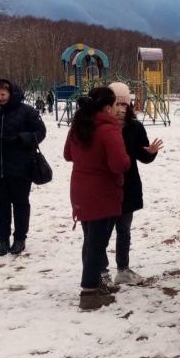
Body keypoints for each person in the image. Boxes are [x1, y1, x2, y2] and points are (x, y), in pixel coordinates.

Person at [63, 87, 131, 310]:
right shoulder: (108, 129)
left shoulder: (79, 124)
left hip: (81, 189)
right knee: (96, 243)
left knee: (91, 240)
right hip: (103, 191)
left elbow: (68, 155)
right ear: (108, 106)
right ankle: (89, 291)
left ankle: (93, 285)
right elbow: (119, 164)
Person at [0, 79, 46, 256]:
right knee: (0, 205)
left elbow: (40, 132)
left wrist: (23, 138)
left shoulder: (26, 112)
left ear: (11, 93)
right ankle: (2, 239)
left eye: (3, 94)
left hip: (20, 167)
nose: (0, 98)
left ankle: (20, 238)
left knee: (20, 204)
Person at [107, 82, 163, 285]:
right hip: (105, 185)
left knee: (124, 230)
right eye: (117, 104)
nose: (121, 109)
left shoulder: (135, 127)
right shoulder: (101, 127)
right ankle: (101, 270)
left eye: (125, 104)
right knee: (102, 231)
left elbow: (142, 155)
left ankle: (123, 268)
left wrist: (150, 153)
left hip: (128, 185)